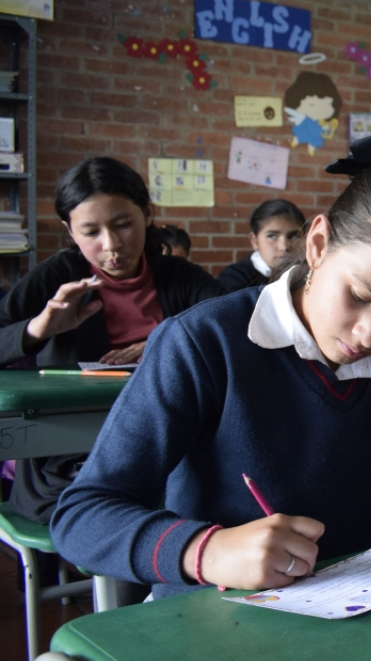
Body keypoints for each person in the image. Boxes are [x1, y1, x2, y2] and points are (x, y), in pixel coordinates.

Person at [52, 141, 371, 599]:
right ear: (318, 244)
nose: (370, 335)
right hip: (209, 612)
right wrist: (206, 551)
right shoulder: (203, 342)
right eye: (361, 296)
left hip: (357, 607)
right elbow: (81, 516)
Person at [0, 158, 225, 523]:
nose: (112, 245)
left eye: (123, 224)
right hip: (73, 461)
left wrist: (164, 339)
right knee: (127, 511)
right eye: (91, 232)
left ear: (147, 214)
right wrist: (38, 329)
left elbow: (233, 322)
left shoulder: (178, 276)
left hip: (175, 451)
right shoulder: (58, 276)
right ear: (70, 232)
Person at [218, 199, 306, 292]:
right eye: (272, 236)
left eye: (294, 236)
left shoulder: (310, 274)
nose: (284, 247)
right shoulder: (234, 278)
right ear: (254, 241)